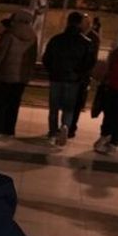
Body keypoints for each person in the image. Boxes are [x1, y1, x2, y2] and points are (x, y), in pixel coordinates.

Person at [41, 12, 95, 147]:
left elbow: (46, 58)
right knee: (69, 108)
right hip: (73, 79)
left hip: (56, 77)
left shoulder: (56, 39)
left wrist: (52, 70)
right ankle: (65, 125)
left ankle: (53, 132)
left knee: (54, 107)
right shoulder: (86, 42)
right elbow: (89, 62)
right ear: (80, 23)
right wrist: (79, 74)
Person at [0, 9, 36, 137]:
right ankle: (9, 130)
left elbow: (0, 56)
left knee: (1, 102)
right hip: (21, 76)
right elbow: (32, 58)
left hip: (6, 74)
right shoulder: (33, 36)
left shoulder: (9, 34)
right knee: (14, 104)